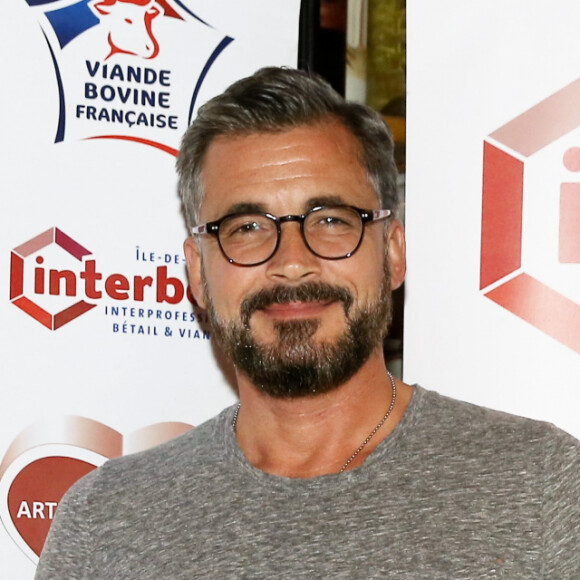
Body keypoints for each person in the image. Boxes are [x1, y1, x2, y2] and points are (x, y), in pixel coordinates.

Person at [36, 67, 579, 579]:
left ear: (392, 252)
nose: (292, 260)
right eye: (247, 227)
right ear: (198, 271)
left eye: (330, 221)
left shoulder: (542, 490)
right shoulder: (107, 523)